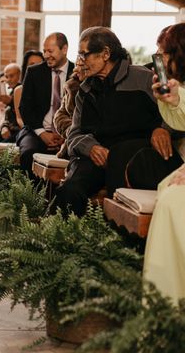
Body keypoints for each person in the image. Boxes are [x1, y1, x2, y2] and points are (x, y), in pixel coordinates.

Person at [53, 26, 176, 216]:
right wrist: (90, 147)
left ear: (105, 54)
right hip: (94, 157)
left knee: (120, 173)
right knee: (69, 190)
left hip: (134, 158)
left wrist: (162, 129)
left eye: (84, 55)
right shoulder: (84, 90)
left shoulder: (144, 78)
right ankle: (67, 243)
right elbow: (75, 134)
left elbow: (173, 109)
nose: (80, 61)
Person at [143, 22, 185, 303]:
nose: (158, 58)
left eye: (162, 52)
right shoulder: (177, 85)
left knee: (172, 200)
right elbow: (178, 119)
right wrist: (172, 101)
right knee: (169, 193)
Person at [17, 33, 74, 173]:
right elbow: (25, 108)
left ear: (64, 49)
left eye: (50, 51)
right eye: (44, 51)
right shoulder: (34, 72)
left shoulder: (78, 73)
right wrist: (42, 134)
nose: (46, 55)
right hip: (36, 130)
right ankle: (28, 195)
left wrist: (66, 135)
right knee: (28, 153)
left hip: (68, 134)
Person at [53, 64, 87, 159]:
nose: (75, 69)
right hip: (73, 138)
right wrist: (72, 131)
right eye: (76, 65)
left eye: (80, 65)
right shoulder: (72, 86)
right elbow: (60, 115)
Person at [13, 50, 45, 129]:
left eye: (39, 64)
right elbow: (19, 118)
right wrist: (33, 130)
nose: (36, 68)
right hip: (28, 129)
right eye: (32, 64)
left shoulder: (52, 87)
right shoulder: (19, 90)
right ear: (26, 67)